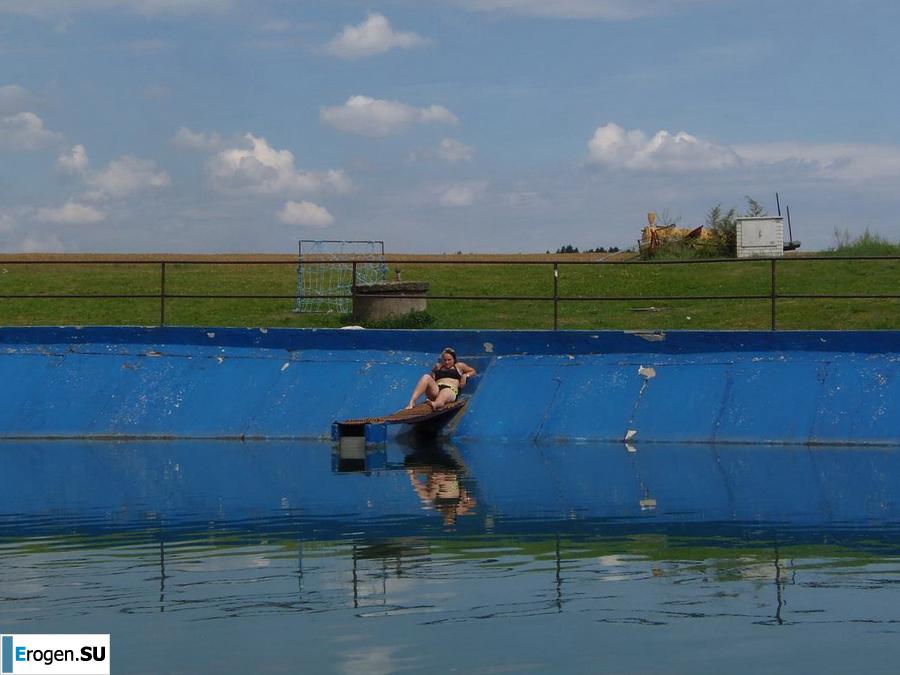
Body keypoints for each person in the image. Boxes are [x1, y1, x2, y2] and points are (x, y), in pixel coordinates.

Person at [405, 347, 476, 410]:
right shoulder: (438, 366)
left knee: (444, 392)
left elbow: (473, 371)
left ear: (454, 359)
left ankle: (437, 403)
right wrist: (432, 376)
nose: (447, 362)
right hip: (436, 390)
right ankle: (412, 401)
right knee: (426, 377)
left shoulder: (459, 366)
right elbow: (431, 375)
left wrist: (465, 376)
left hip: (450, 390)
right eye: (445, 360)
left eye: (449, 360)